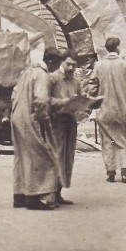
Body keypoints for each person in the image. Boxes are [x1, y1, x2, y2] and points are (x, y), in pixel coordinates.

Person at [10, 50, 64, 210]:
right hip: (30, 119)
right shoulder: (42, 75)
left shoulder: (27, 72)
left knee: (22, 158)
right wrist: (43, 118)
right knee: (41, 156)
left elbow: (14, 94)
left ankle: (19, 195)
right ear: (53, 62)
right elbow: (41, 100)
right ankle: (35, 197)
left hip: (18, 117)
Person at [92, 36, 126, 183]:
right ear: (118, 47)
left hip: (104, 109)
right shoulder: (124, 64)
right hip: (122, 109)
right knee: (124, 139)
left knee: (108, 141)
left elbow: (93, 85)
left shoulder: (99, 65)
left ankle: (111, 172)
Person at [47, 48, 85, 205]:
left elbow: (80, 99)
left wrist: (87, 103)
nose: (71, 68)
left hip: (70, 122)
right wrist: (63, 102)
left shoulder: (76, 81)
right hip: (55, 122)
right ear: (62, 62)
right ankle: (50, 194)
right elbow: (44, 99)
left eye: (74, 65)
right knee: (55, 157)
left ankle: (59, 193)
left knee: (67, 158)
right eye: (69, 64)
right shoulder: (52, 78)